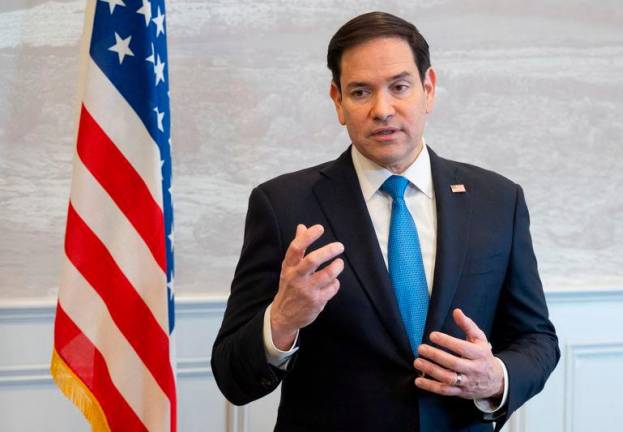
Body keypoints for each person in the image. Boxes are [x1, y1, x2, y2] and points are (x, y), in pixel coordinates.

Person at [211, 11, 559, 432]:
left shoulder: (499, 201)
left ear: (428, 89)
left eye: (399, 87)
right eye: (360, 92)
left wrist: (495, 378)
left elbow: (537, 340)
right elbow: (233, 375)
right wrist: (282, 320)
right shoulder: (282, 205)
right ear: (337, 101)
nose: (382, 109)